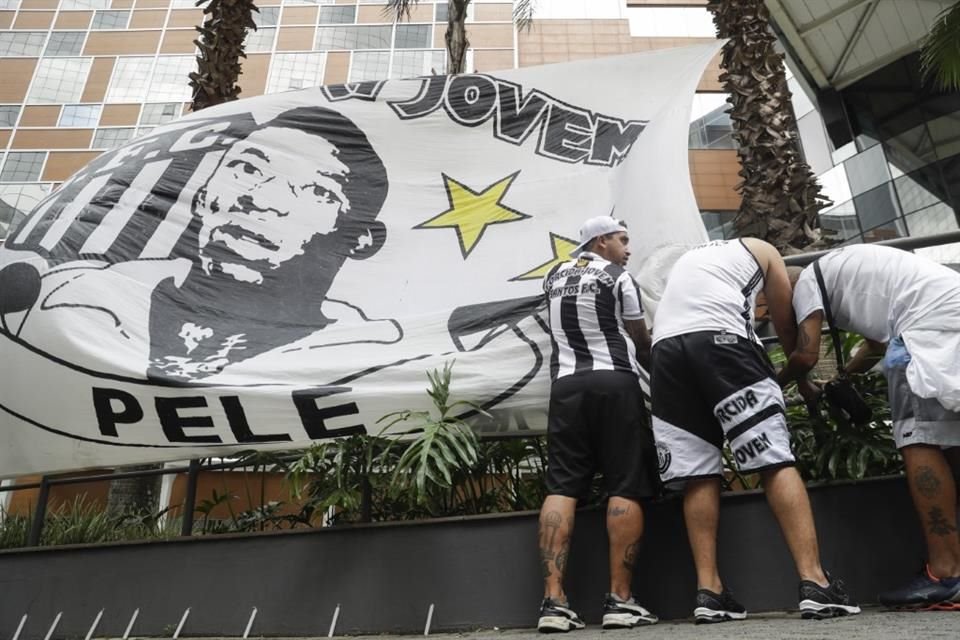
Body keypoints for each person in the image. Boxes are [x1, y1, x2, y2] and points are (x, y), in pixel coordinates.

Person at [649, 238, 860, 622]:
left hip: (665, 351)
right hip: (723, 342)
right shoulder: (764, 250)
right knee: (774, 460)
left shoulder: (694, 256)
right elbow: (784, 323)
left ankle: (709, 591)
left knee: (698, 474)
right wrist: (801, 378)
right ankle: (816, 583)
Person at [779, 243, 960, 610]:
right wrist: (843, 378)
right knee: (952, 443)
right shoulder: (844, 269)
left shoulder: (805, 282)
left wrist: (774, 382)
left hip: (923, 327)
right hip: (947, 312)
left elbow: (806, 354)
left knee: (918, 441)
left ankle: (946, 573)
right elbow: (875, 346)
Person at [536, 216, 660, 632]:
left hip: (566, 387)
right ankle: (620, 601)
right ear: (601, 241)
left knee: (562, 487)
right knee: (625, 483)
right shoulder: (616, 276)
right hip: (614, 383)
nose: (627, 249)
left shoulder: (553, 275)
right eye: (622, 240)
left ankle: (553, 603)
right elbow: (640, 339)